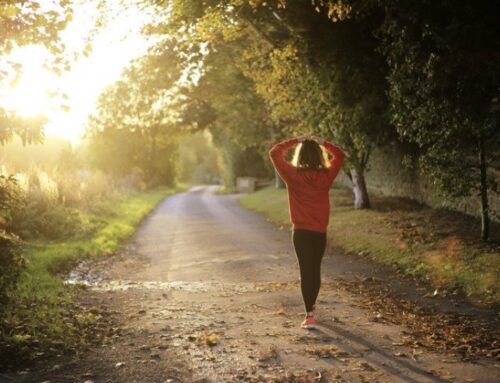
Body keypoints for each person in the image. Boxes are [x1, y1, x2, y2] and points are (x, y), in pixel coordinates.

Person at [269, 135, 346, 329]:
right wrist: (324, 142)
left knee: (306, 271)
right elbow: (340, 154)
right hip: (319, 232)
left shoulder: (292, 175)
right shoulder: (326, 176)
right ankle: (311, 308)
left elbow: (274, 152)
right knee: (315, 270)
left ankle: (309, 313)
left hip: (301, 232)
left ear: (300, 155)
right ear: (320, 156)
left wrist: (295, 140)